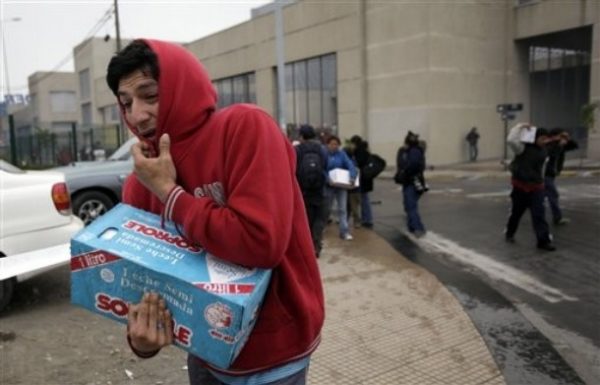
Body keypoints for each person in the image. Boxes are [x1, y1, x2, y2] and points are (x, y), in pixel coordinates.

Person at [106, 39, 324, 385]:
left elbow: (261, 242)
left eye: (150, 95)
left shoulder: (244, 128)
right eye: (126, 103)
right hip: (205, 351)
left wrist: (171, 194)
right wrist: (141, 339)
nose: (137, 114)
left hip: (275, 353)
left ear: (181, 88)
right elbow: (140, 282)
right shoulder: (141, 181)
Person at [505, 123, 556, 251]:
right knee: (516, 213)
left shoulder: (544, 151)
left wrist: (542, 182)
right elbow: (511, 140)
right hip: (520, 188)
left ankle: (543, 241)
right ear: (535, 137)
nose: (544, 141)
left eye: (546, 138)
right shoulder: (522, 148)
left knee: (539, 215)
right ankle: (510, 233)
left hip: (537, 188)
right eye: (542, 138)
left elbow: (542, 168)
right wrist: (520, 126)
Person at [295, 124, 329, 258]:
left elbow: (294, 169)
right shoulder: (322, 149)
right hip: (320, 190)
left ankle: (306, 248)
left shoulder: (297, 150)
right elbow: (325, 166)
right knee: (319, 220)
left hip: (304, 191)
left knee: (307, 220)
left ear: (302, 136)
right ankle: (317, 245)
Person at [325, 135, 357, 240]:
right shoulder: (324, 154)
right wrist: (327, 179)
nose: (334, 146)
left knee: (342, 209)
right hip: (329, 185)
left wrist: (352, 176)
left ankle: (344, 231)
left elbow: (350, 165)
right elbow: (321, 168)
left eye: (336, 144)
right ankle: (321, 228)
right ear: (328, 144)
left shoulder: (342, 154)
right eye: (332, 144)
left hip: (341, 185)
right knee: (326, 208)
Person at [396, 131, 427, 237]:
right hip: (411, 181)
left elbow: (412, 166)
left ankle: (418, 227)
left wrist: (405, 171)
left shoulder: (413, 151)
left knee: (410, 205)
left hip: (412, 181)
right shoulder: (414, 151)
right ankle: (412, 226)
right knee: (409, 205)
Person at [545, 128, 578, 225]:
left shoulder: (560, 145)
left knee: (539, 196)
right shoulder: (548, 145)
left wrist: (568, 138)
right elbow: (551, 154)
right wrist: (559, 145)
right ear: (554, 136)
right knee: (553, 195)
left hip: (551, 174)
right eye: (560, 136)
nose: (562, 139)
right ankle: (557, 218)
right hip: (545, 174)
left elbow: (575, 146)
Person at [349, 135, 375, 228]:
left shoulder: (359, 152)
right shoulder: (365, 150)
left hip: (362, 179)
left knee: (364, 200)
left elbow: (358, 164)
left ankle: (367, 219)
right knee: (364, 199)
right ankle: (366, 218)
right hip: (366, 179)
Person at [343, 139, 362, 229]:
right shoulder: (354, 160)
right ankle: (351, 221)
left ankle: (353, 221)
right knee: (351, 207)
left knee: (351, 207)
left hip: (351, 187)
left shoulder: (351, 161)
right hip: (353, 187)